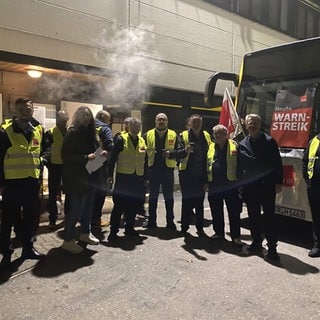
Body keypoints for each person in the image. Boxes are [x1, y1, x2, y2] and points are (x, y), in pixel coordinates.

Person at [0, 98, 45, 269]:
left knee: (31, 219)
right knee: (8, 220)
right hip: (12, 183)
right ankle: (6, 252)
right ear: (15, 111)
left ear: (33, 110)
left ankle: (28, 248)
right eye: (22, 109)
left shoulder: (38, 130)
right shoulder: (5, 131)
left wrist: (44, 160)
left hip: (31, 183)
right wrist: (1, 183)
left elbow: (41, 151)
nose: (26, 111)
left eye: (29, 108)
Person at [237, 114, 283, 261]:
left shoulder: (269, 141)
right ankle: (256, 241)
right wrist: (240, 184)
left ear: (260, 124)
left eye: (255, 122)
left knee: (269, 217)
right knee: (253, 216)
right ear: (246, 125)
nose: (253, 125)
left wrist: (278, 182)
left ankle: (272, 248)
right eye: (250, 123)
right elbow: (240, 167)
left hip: (267, 186)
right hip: (250, 188)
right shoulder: (243, 143)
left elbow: (277, 163)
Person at [61, 106, 103, 254]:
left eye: (88, 115)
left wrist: (100, 154)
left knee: (88, 208)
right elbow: (66, 156)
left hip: (90, 177)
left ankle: (85, 233)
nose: (86, 118)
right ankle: (68, 240)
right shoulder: (72, 133)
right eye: (83, 115)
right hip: (77, 178)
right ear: (77, 117)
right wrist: (86, 157)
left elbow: (94, 151)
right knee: (76, 210)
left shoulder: (91, 133)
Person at [107, 118, 147, 241]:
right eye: (133, 126)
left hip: (137, 178)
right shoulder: (120, 139)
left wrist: (145, 178)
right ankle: (113, 231)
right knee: (119, 205)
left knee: (133, 204)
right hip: (124, 177)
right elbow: (112, 159)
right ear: (129, 126)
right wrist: (109, 176)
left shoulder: (142, 141)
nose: (136, 128)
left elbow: (144, 161)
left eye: (138, 126)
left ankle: (129, 228)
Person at [176, 114, 212, 237]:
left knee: (200, 202)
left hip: (201, 175)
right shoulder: (183, 135)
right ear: (189, 123)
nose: (196, 124)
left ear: (201, 123)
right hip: (187, 174)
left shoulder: (206, 136)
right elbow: (178, 154)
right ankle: (184, 227)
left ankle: (200, 227)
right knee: (186, 201)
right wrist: (185, 150)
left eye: (198, 122)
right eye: (194, 122)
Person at [207, 124, 242, 245]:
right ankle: (219, 233)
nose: (218, 135)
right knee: (216, 210)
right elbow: (207, 165)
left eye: (221, 133)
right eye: (216, 133)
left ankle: (236, 236)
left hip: (230, 184)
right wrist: (206, 182)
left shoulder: (235, 145)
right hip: (214, 184)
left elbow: (240, 166)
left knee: (234, 212)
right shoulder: (211, 146)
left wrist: (241, 183)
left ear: (226, 134)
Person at [143, 113, 178, 229]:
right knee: (153, 197)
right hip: (153, 170)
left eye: (164, 120)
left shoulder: (174, 135)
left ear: (167, 122)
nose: (161, 121)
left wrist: (171, 154)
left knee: (169, 198)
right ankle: (151, 221)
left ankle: (170, 222)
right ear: (155, 121)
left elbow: (179, 151)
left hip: (168, 170)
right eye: (159, 120)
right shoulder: (147, 134)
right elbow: (142, 154)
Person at [42, 110, 69, 229]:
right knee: (53, 194)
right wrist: (48, 164)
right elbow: (45, 150)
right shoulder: (50, 133)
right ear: (57, 119)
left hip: (68, 167)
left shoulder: (71, 132)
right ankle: (52, 219)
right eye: (60, 118)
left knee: (69, 192)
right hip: (55, 167)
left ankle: (68, 217)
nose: (63, 120)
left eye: (64, 118)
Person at [91, 110, 113, 229]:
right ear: (103, 117)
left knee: (89, 193)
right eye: (109, 119)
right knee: (100, 193)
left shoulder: (87, 126)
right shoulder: (105, 128)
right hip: (100, 162)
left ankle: (87, 219)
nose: (109, 122)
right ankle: (96, 219)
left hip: (87, 162)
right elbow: (109, 145)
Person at [302, 133, 320, 257]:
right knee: (316, 215)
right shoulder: (314, 140)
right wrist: (307, 179)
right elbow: (305, 160)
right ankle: (317, 244)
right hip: (314, 185)